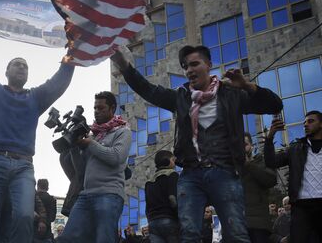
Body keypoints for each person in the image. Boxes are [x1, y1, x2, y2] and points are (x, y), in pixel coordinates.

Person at [111, 45, 283, 242]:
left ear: (208, 65)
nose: (189, 70)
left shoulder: (231, 94)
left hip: (225, 171)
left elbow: (275, 105)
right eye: (185, 66)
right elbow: (148, 90)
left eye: (194, 64)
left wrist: (245, 85)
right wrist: (124, 66)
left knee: (236, 233)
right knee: (190, 234)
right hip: (191, 174)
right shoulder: (180, 97)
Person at [0, 7, 75, 243]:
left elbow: (60, 81)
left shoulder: (35, 98)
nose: (22, 67)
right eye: (17, 63)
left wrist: (72, 46)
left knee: (25, 217)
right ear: (6, 71)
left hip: (24, 167)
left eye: (25, 65)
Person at [57, 91, 131, 243]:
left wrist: (90, 144)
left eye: (101, 108)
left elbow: (116, 157)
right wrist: (74, 146)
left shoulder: (123, 132)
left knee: (104, 238)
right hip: (85, 195)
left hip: (109, 194)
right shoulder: (94, 135)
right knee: (67, 238)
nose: (97, 111)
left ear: (112, 109)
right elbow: (81, 169)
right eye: (95, 108)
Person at [265, 110, 322, 242]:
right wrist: (270, 136)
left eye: (311, 121)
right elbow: (270, 162)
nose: (306, 125)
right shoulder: (295, 149)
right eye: (304, 122)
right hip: (302, 206)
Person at [242, 133, 277, 243]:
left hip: (258, 224)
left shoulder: (261, 161)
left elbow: (270, 180)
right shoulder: (230, 166)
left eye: (245, 144)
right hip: (237, 223)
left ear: (251, 146)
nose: (242, 148)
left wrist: (249, 164)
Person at [145, 150, 180, 243]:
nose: (175, 163)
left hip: (152, 223)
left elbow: (147, 205)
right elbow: (172, 198)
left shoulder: (149, 181)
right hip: (169, 219)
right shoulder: (172, 174)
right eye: (173, 160)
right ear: (167, 161)